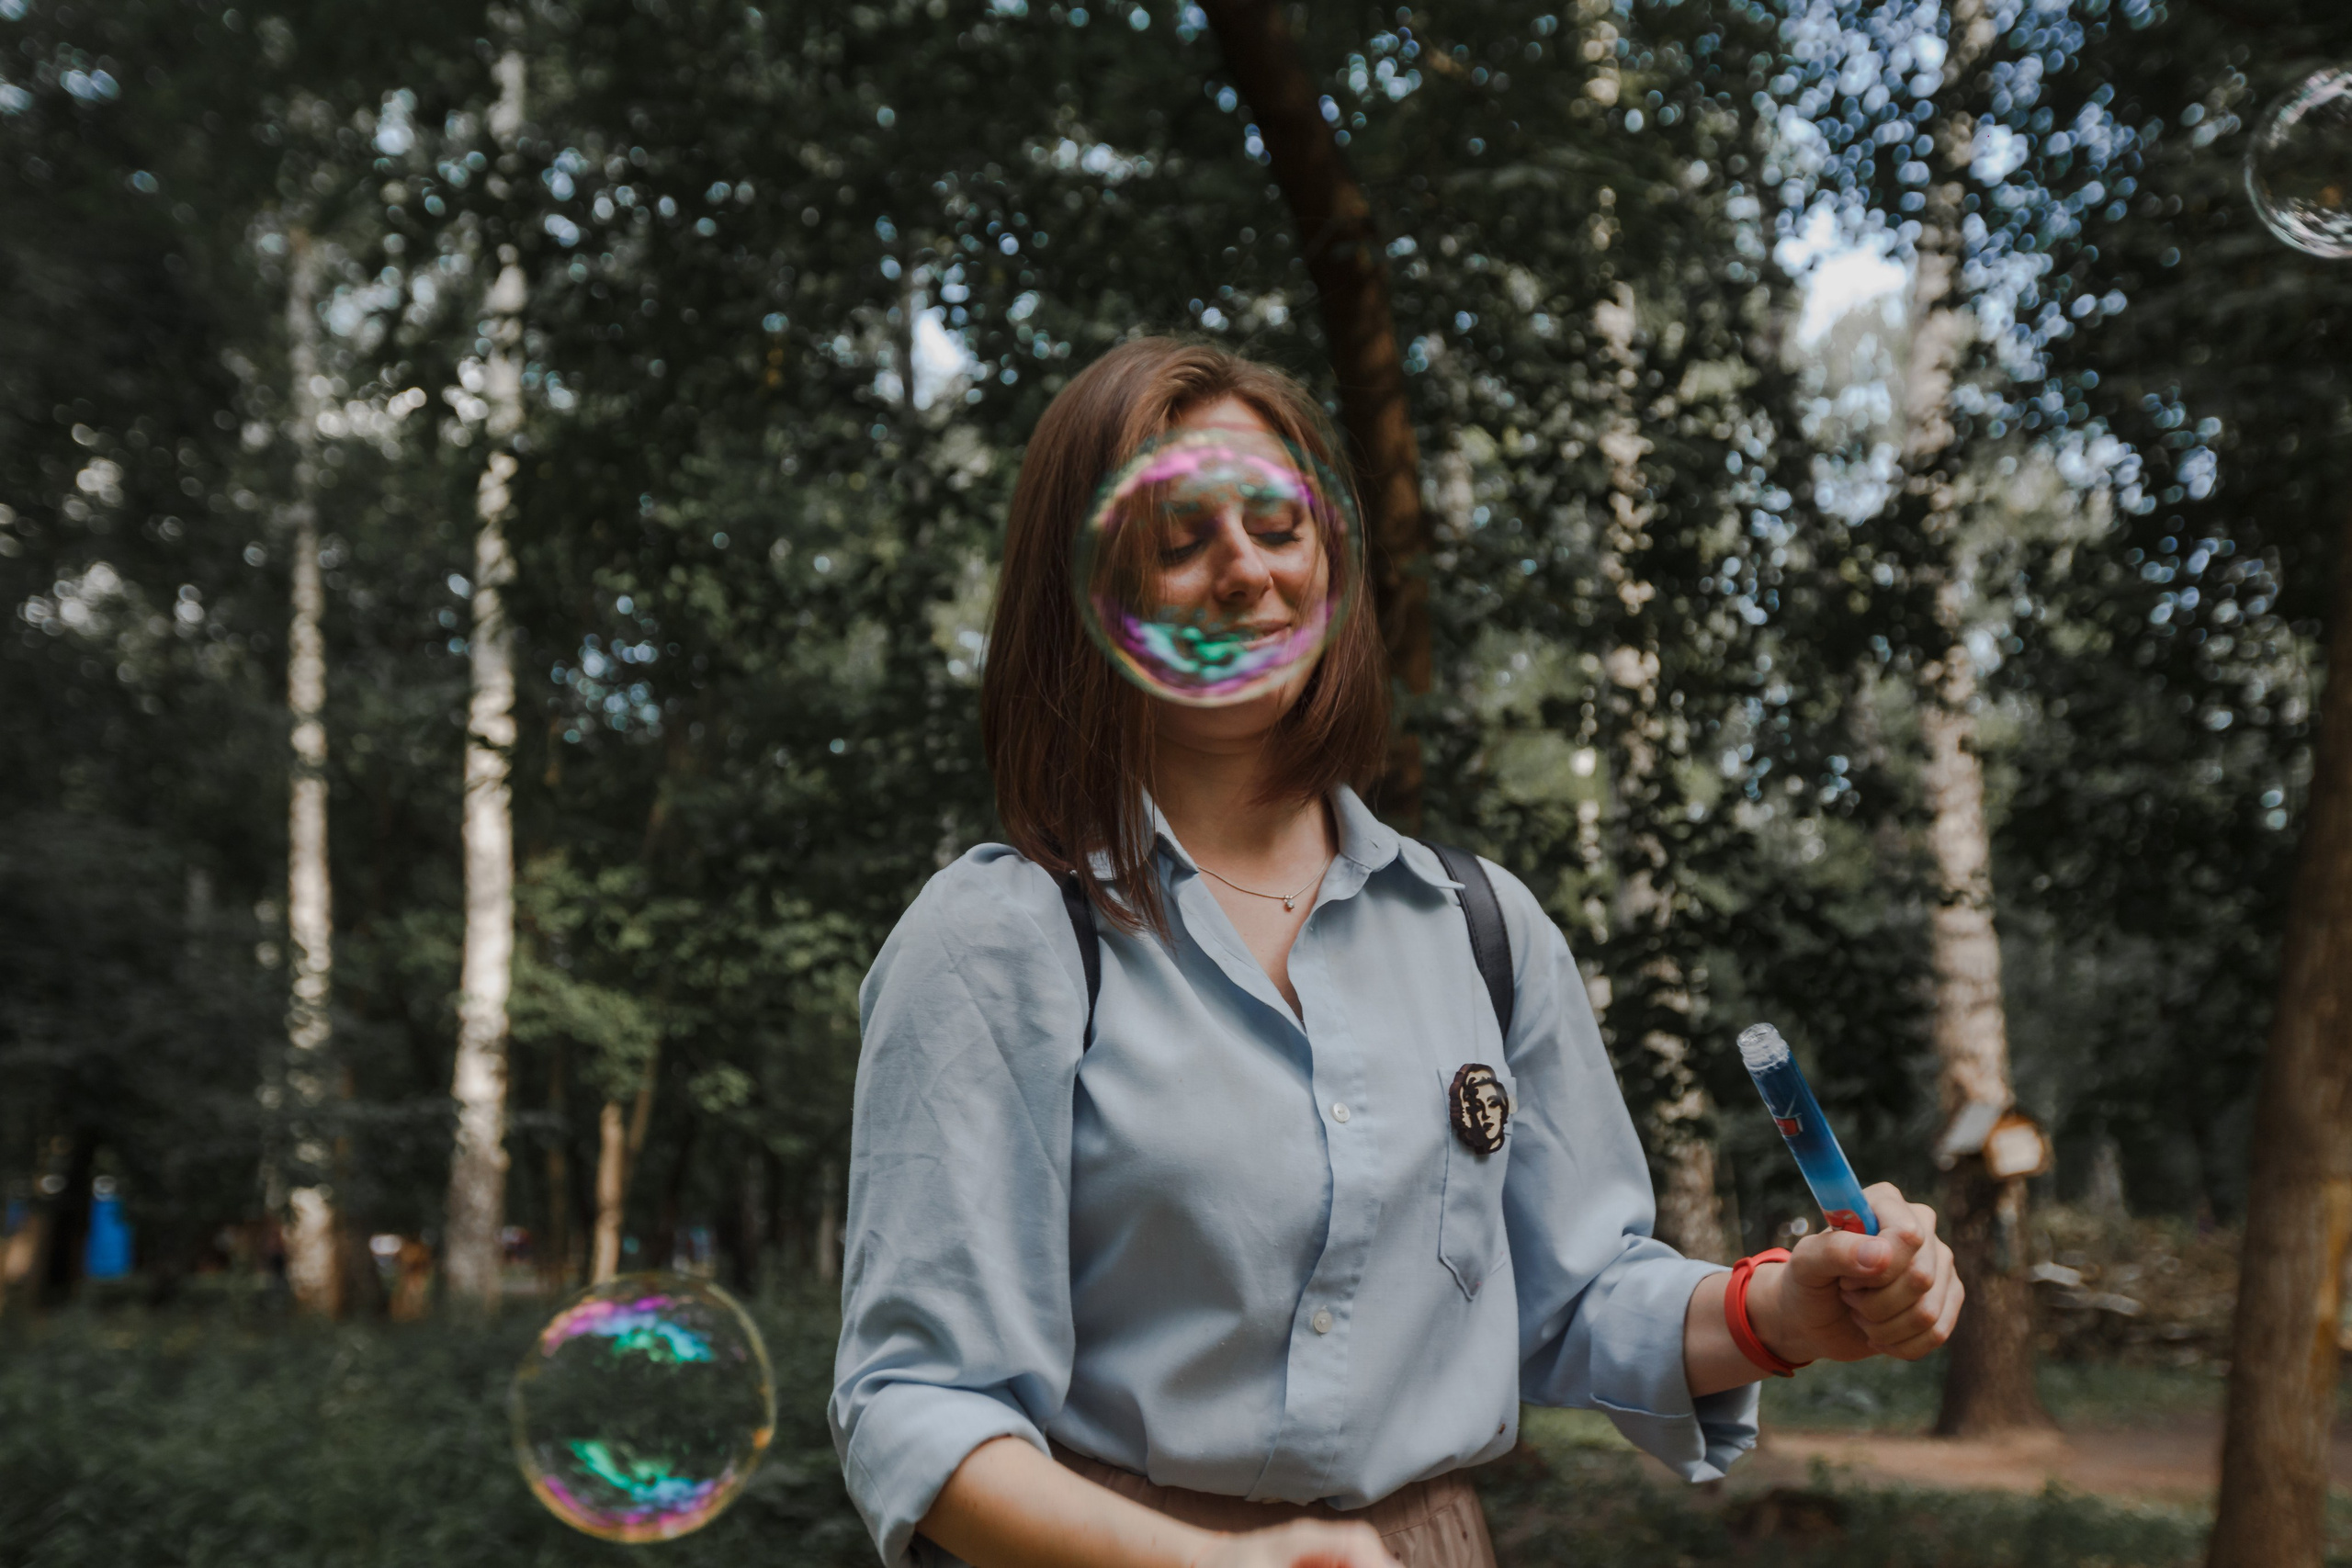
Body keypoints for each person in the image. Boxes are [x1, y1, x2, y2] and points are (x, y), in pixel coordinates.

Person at [830, 339, 1962, 1568]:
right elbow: (913, 1403)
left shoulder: (1480, 929)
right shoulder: (997, 940)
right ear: (1093, 598)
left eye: (1280, 524)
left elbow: (1577, 1297)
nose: (1246, 569)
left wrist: (1781, 1309)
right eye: (1180, 538)